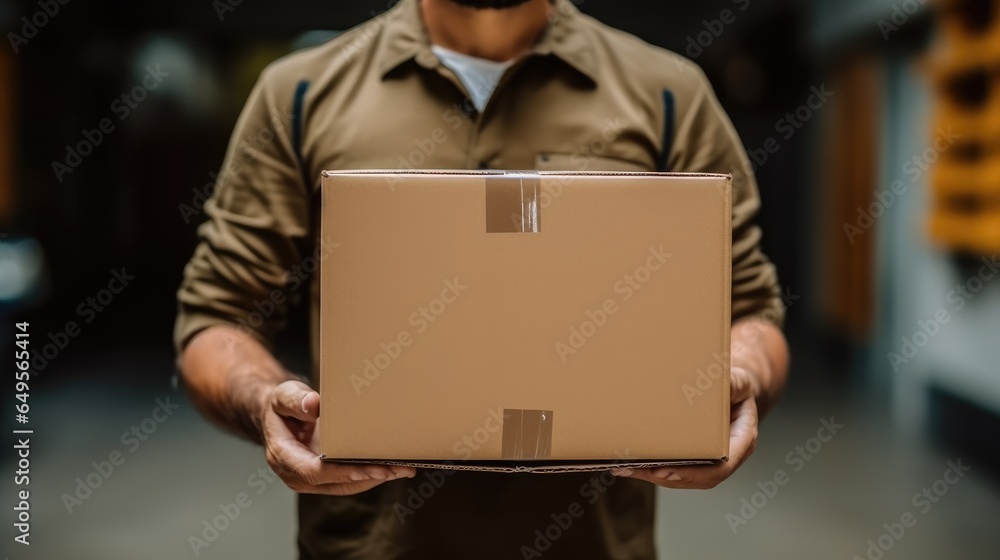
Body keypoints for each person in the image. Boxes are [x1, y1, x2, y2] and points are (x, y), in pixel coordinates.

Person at [175, 0, 790, 558]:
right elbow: (216, 319)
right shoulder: (301, 93)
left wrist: (736, 386)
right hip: (369, 546)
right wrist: (264, 402)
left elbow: (753, 310)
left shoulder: (667, 94)